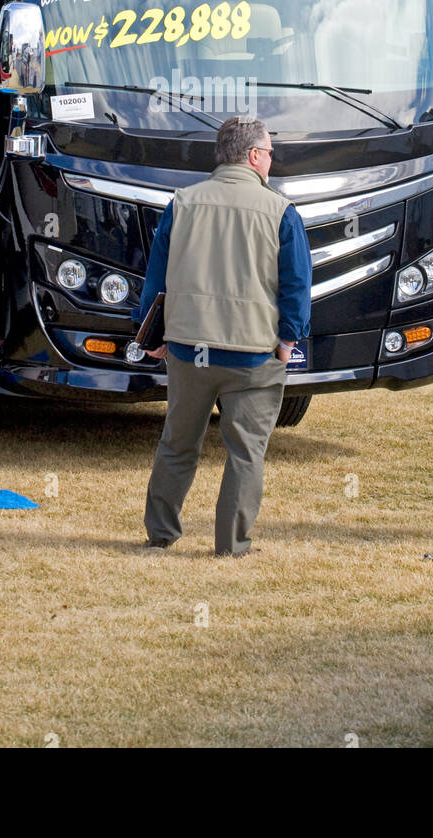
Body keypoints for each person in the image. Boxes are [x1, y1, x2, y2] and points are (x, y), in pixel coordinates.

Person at [133, 116, 312, 557]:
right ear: (253, 156)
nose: (272, 160)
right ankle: (232, 545)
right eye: (269, 152)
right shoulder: (281, 212)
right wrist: (289, 340)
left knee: (177, 443)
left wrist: (149, 333)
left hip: (188, 348)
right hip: (252, 354)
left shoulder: (183, 203)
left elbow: (155, 278)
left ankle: (160, 535)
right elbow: (296, 285)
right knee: (245, 453)